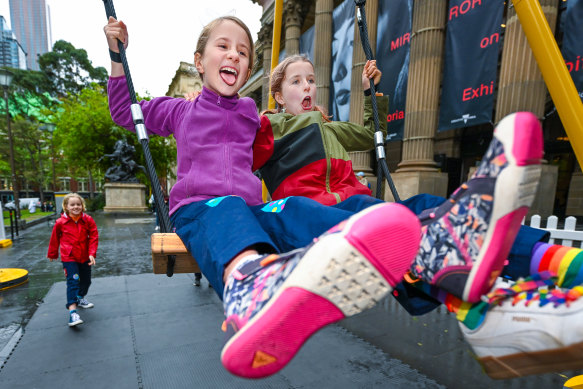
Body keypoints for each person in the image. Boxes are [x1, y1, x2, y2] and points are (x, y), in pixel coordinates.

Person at [104, 16, 553, 379]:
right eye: (223, 47)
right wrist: (117, 55)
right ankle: (248, 288)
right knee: (229, 211)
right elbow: (125, 112)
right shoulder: (180, 110)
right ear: (199, 62)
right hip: (201, 208)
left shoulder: (250, 115)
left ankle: (429, 249)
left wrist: (361, 95)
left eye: (243, 51)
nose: (235, 55)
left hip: (257, 212)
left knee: (298, 210)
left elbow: (302, 127)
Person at [252, 54, 583, 377]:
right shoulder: (270, 127)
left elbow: (369, 134)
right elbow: (235, 146)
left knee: (430, 210)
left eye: (311, 80)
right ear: (279, 96)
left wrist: (371, 94)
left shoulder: (332, 128)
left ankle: (559, 264)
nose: (307, 87)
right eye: (297, 81)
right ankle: (490, 305)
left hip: (357, 206)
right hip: (317, 217)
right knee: (405, 233)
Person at [47, 193, 98, 327]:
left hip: (85, 256)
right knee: (73, 282)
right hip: (69, 257)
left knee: (86, 281)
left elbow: (93, 236)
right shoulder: (60, 223)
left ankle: (80, 298)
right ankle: (73, 313)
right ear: (66, 207)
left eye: (78, 204)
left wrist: (92, 253)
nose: (76, 207)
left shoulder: (87, 220)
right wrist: (52, 254)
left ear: (82, 206)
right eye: (72, 204)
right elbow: (54, 238)